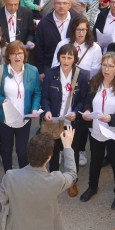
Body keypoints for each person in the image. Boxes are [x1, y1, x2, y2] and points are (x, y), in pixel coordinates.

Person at [0, 41, 41, 173]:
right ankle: (8, 175)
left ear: (25, 55)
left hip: (24, 118)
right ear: (8, 56)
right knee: (6, 149)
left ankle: (23, 177)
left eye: (20, 53)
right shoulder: (0, 71)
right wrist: (2, 100)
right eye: (13, 53)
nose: (17, 57)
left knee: (22, 151)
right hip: (5, 119)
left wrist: (35, 108)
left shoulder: (32, 71)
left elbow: (37, 93)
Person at [41, 43, 89, 179]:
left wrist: (76, 111)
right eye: (63, 57)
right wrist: (47, 111)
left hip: (72, 121)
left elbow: (83, 99)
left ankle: (73, 179)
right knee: (54, 151)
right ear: (59, 58)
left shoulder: (82, 75)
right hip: (55, 121)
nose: (66, 61)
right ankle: (54, 178)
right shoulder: (50, 74)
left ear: (75, 59)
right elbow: (45, 97)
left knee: (72, 151)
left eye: (69, 57)